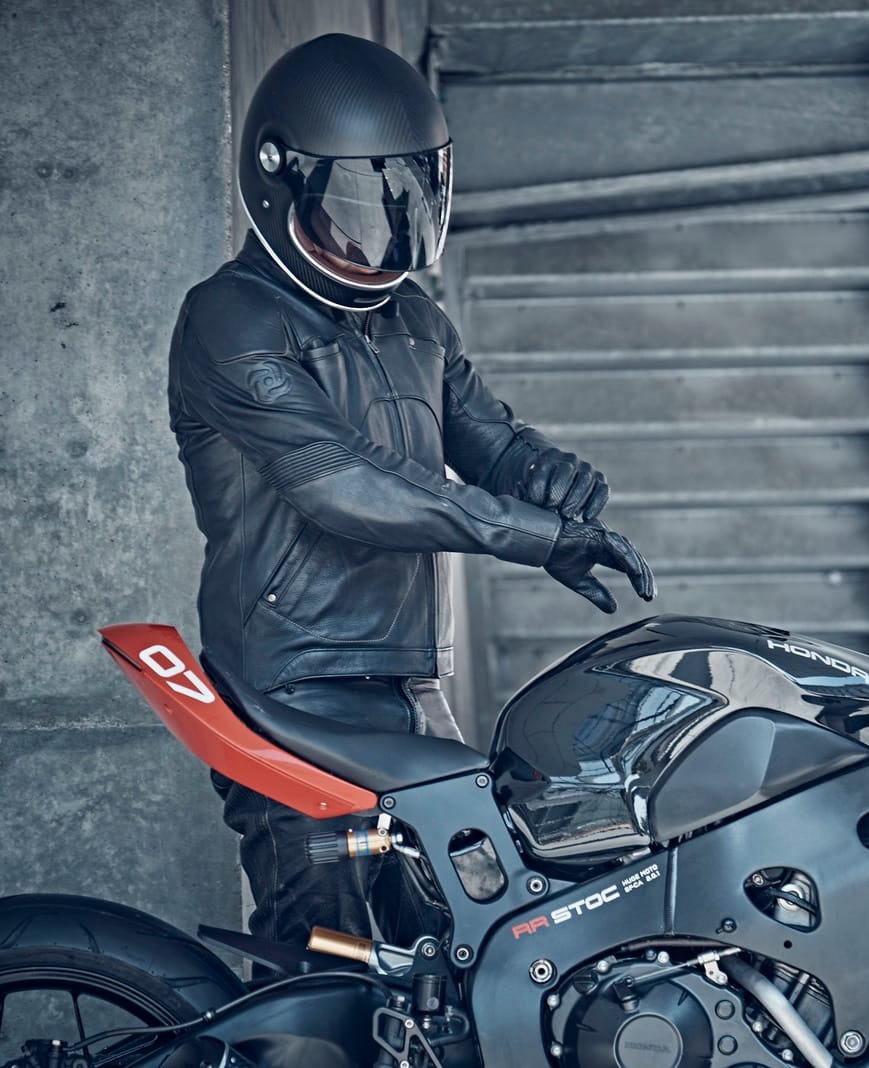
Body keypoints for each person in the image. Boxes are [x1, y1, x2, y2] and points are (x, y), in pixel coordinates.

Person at [167, 33, 655, 951]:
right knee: (327, 952)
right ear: (278, 182)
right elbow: (344, 486)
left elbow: (491, 440)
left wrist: (553, 483)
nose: (381, 234)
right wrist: (529, 536)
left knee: (460, 950)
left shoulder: (416, 317)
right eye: (354, 205)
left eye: (406, 199)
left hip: (410, 685)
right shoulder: (229, 318)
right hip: (292, 687)